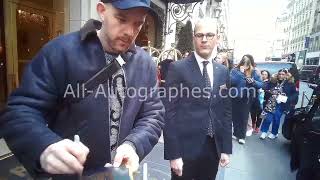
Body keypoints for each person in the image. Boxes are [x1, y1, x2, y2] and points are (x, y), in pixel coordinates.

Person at [0, 0, 164, 179]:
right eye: (121, 19)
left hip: (121, 174)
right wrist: (44, 145)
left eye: (138, 24)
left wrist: (133, 145)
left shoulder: (145, 64)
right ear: (101, 10)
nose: (129, 32)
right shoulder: (60, 52)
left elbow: (153, 114)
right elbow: (19, 112)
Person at [163, 18, 232, 180]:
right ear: (194, 38)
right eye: (199, 35)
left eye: (209, 35)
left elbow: (226, 112)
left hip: (212, 149)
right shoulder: (177, 68)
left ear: (217, 38)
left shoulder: (222, 71)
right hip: (185, 151)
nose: (204, 39)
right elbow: (169, 113)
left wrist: (225, 148)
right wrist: (174, 154)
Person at [230, 55, 263, 144]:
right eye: (243, 63)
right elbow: (231, 82)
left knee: (244, 117)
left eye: (247, 64)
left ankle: (241, 136)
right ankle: (235, 133)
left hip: (247, 98)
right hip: (235, 97)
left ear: (250, 64)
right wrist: (241, 73)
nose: (245, 66)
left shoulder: (254, 72)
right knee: (235, 116)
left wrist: (253, 82)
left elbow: (260, 84)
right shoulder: (235, 70)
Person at [260, 69, 297, 139]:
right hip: (271, 102)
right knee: (267, 118)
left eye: (283, 74)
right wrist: (271, 79)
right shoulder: (273, 81)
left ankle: (274, 133)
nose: (281, 76)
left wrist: (287, 99)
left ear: (286, 75)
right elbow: (265, 87)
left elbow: (295, 94)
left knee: (276, 119)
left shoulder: (290, 83)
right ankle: (264, 132)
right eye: (280, 74)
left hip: (281, 104)